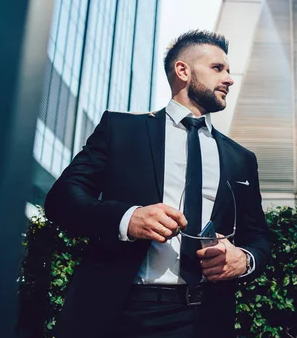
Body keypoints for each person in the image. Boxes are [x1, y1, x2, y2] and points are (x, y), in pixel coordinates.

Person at [44, 30, 271, 338]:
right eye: (218, 68)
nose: (229, 78)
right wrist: (127, 218)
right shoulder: (120, 130)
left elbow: (258, 236)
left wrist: (244, 260)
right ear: (183, 71)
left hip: (209, 317)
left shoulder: (242, 158)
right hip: (127, 313)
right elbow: (61, 200)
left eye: (228, 70)